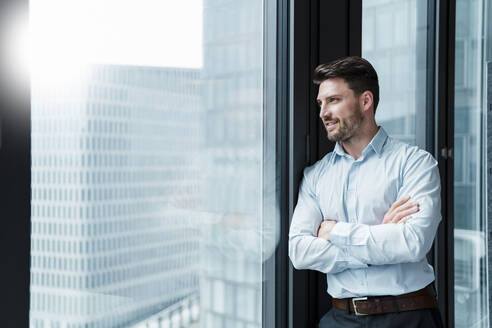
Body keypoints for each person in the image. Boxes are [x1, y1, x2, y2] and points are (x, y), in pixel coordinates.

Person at [288, 56, 444, 327]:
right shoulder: (316, 176)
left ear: (365, 101)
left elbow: (412, 242)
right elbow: (299, 251)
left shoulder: (415, 163)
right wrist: (380, 238)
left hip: (408, 315)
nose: (323, 112)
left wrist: (335, 232)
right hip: (339, 318)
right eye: (321, 103)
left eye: (334, 100)